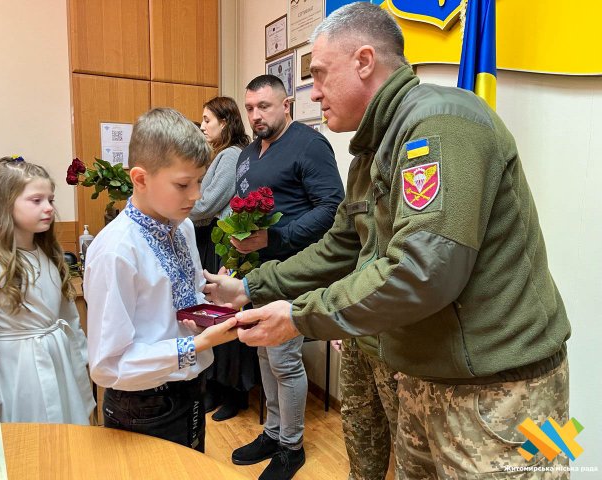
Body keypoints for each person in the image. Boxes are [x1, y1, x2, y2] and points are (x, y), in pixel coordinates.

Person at [204, 3, 571, 479]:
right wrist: (254, 288)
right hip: (430, 378)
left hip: (506, 392)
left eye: (318, 74)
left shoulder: (440, 124)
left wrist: (298, 317)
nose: (312, 93)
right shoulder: (372, 149)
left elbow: (423, 271)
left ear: (363, 61)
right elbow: (341, 248)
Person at [84, 108, 238, 451]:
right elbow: (109, 366)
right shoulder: (116, 251)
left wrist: (211, 301)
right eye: (184, 184)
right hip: (144, 404)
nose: (197, 195)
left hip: (191, 385)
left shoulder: (181, 226)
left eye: (200, 181)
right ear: (140, 178)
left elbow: (181, 306)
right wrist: (196, 345)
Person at [226, 75, 344, 480]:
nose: (256, 115)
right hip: (258, 273)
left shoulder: (309, 144)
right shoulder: (246, 156)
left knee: (283, 358)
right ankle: (273, 433)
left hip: (296, 269)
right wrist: (234, 252)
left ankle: (291, 447)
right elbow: (239, 211)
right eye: (250, 108)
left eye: (264, 106)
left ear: (287, 104)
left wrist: (277, 236)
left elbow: (333, 207)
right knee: (263, 351)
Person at [0, 156, 95, 424]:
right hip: (18, 374)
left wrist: (82, 360)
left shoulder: (49, 255)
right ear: (4, 204)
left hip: (58, 365)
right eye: (36, 200)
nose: (48, 208)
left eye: (51, 199)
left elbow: (69, 317)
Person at [189, 96, 255, 422]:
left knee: (226, 317)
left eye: (207, 120)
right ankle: (216, 383)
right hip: (210, 240)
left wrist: (179, 205)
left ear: (225, 123)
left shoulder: (230, 155)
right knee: (210, 316)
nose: (202, 126)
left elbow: (206, 204)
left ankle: (236, 392)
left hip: (222, 245)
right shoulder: (218, 155)